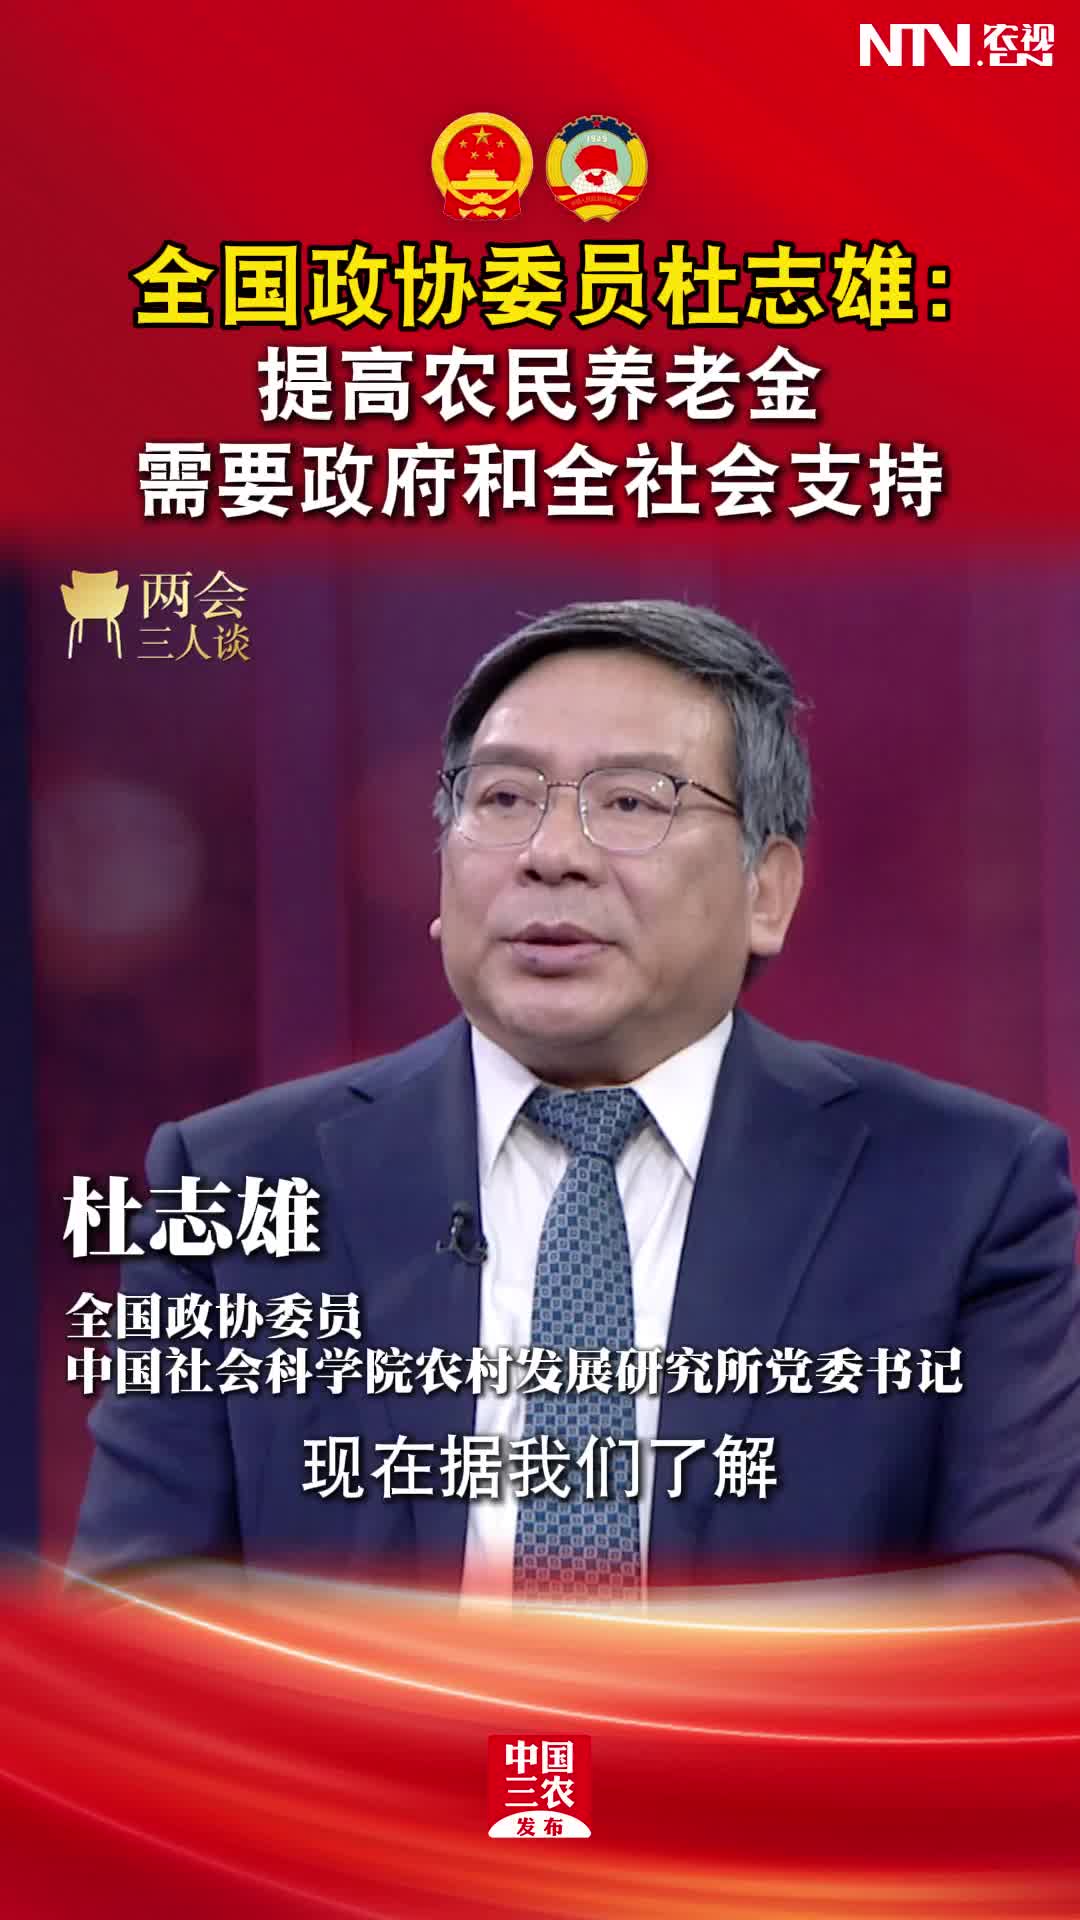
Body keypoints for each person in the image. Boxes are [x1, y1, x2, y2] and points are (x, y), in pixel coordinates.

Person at [72, 599, 1080, 1602]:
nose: (551, 853)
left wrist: (634, 1685)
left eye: (633, 803)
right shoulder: (235, 1180)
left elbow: (1028, 1598)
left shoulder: (966, 1190)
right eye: (504, 799)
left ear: (766, 892)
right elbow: (135, 1602)